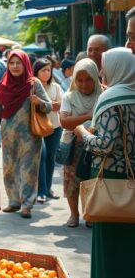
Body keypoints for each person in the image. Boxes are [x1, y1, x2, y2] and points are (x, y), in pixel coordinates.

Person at [74, 48, 135, 278]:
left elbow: (105, 144)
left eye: (105, 66)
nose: (101, 72)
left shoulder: (111, 97)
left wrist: (82, 133)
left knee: (111, 242)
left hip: (111, 178)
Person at [0, 50, 52, 218]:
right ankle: (13, 202)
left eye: (18, 63)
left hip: (30, 136)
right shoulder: (2, 86)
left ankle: (27, 204)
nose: (15, 66)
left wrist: (38, 102)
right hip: (8, 136)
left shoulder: (33, 84)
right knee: (9, 169)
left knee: (28, 170)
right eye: (11, 63)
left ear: (25, 64)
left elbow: (48, 106)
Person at [58, 58, 101, 228]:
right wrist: (89, 116)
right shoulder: (69, 96)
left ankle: (90, 214)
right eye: (80, 80)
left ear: (95, 77)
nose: (84, 84)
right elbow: (64, 122)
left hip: (97, 145)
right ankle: (74, 214)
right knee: (72, 181)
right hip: (73, 145)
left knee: (92, 180)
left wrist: (79, 123)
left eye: (88, 79)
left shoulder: (103, 94)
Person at [33, 58, 63, 203]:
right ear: (36, 72)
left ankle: (48, 189)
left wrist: (41, 102)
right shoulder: (32, 87)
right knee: (41, 157)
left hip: (55, 127)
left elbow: (59, 106)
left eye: (48, 70)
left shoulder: (56, 87)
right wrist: (51, 104)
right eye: (43, 70)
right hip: (37, 128)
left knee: (51, 158)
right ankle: (41, 191)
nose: (46, 73)